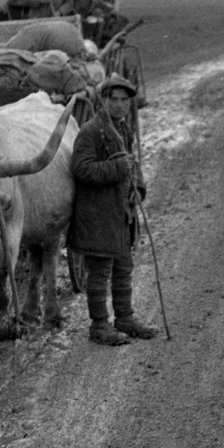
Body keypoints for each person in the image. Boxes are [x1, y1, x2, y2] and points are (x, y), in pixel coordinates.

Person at [69, 74, 160, 345]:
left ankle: (125, 319)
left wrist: (138, 188)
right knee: (99, 271)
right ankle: (99, 326)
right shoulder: (91, 131)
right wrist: (117, 169)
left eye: (124, 100)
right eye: (114, 100)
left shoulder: (124, 129)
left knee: (123, 267)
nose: (120, 105)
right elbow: (81, 169)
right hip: (97, 214)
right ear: (104, 101)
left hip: (120, 212)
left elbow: (133, 164)